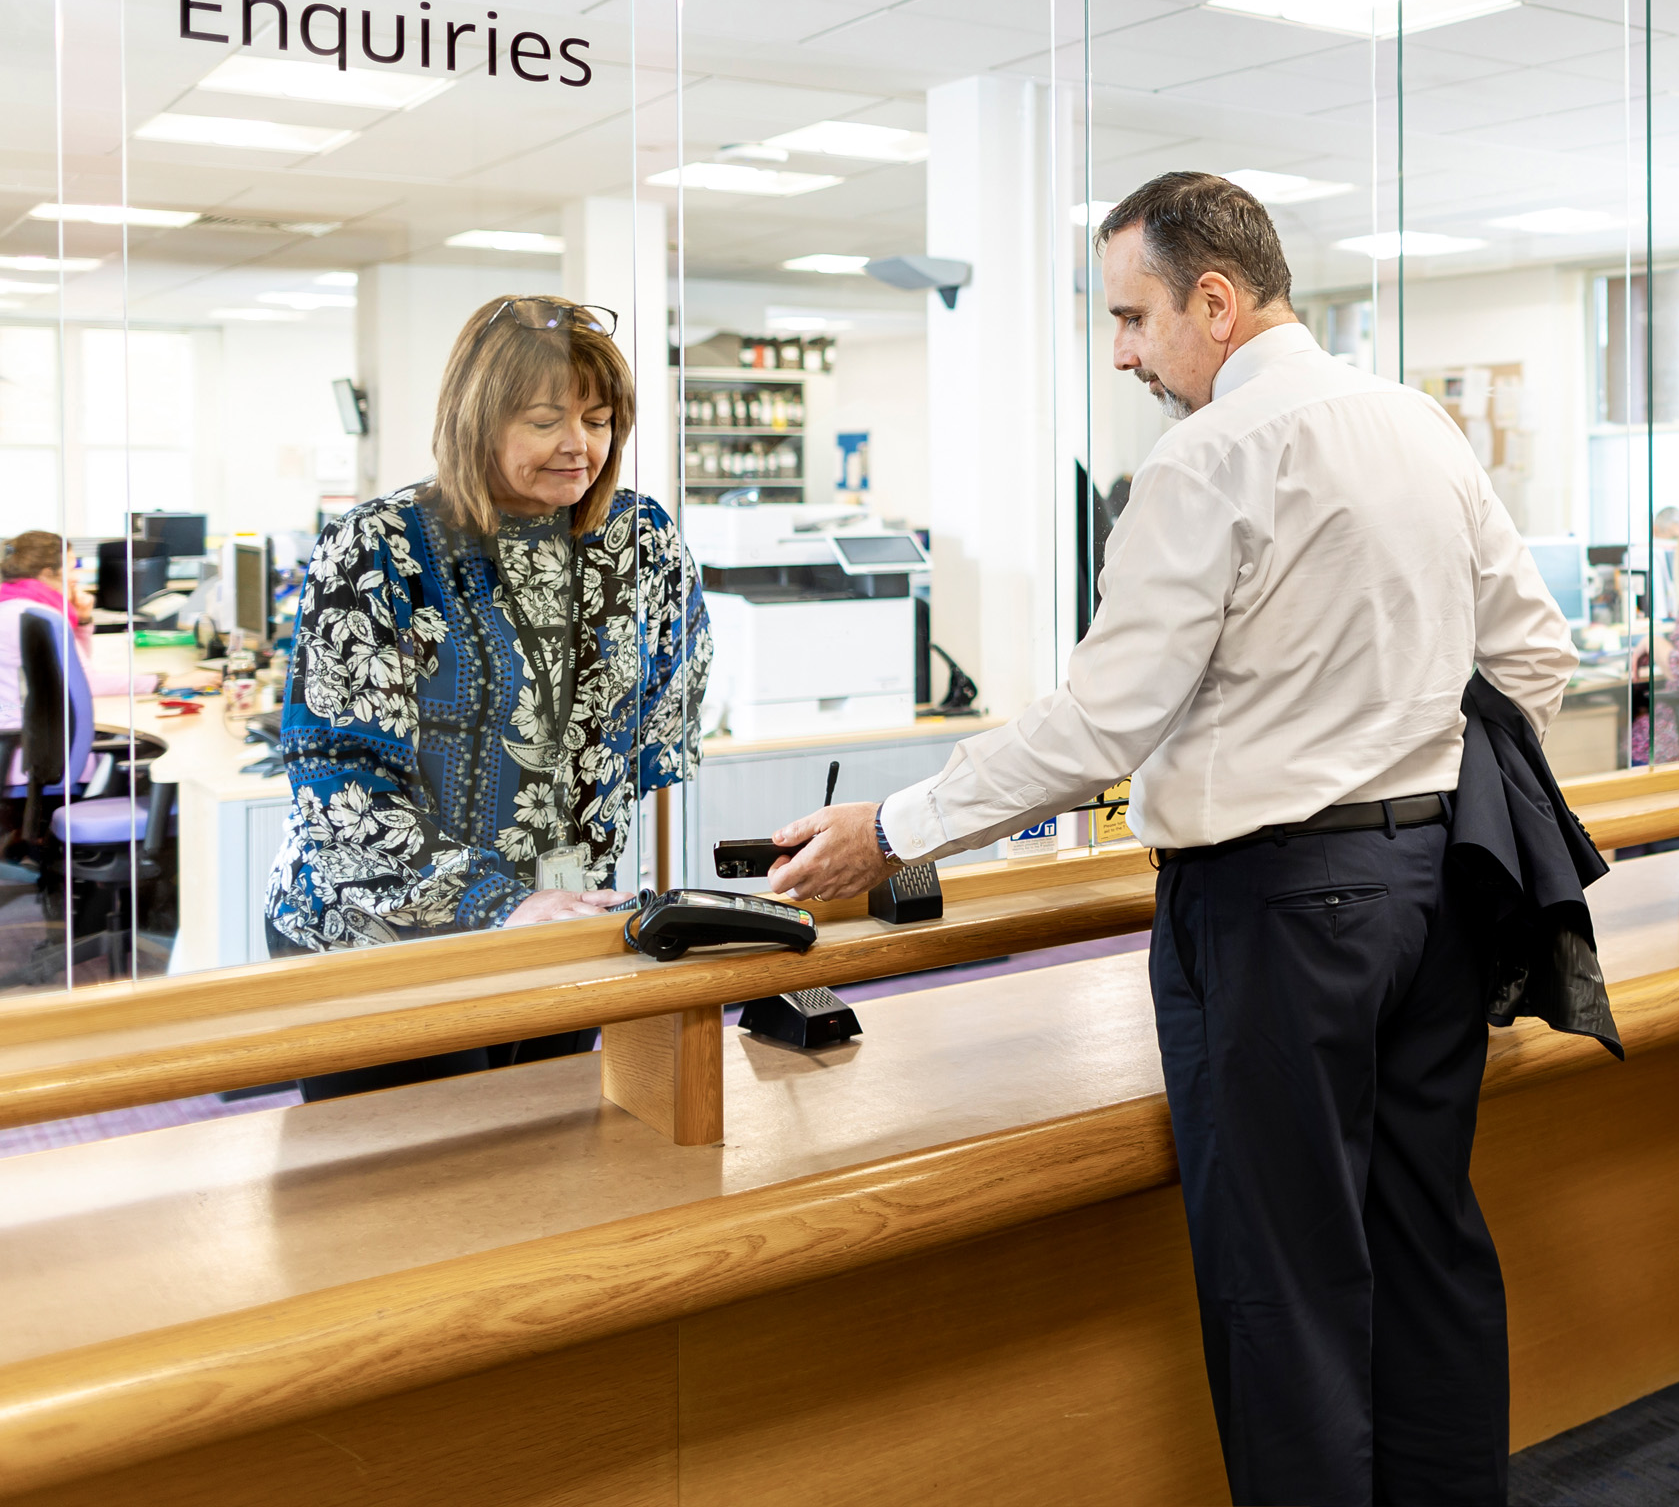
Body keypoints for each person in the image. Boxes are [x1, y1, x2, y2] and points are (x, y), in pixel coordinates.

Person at [768, 171, 1583, 1507]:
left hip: (1278, 914)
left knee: (1289, 1290)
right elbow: (1535, 658)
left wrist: (896, 829)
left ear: (1215, 299)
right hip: (1435, 892)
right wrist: (1406, 752)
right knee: (1428, 1249)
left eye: (1135, 316)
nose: (1126, 353)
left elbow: (1102, 724)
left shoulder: (1209, 459)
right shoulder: (1413, 424)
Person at [265, 295, 710, 1099]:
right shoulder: (381, 544)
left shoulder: (643, 539)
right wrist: (496, 901)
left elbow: (663, 726)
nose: (581, 445)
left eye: (601, 419)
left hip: (563, 925)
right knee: (402, 1197)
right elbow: (339, 781)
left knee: (548, 1172)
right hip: (385, 940)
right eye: (546, 420)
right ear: (478, 421)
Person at [0, 531, 153, 696]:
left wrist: (82, 621)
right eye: (72, 569)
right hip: (17, 720)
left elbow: (76, 669)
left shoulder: (14, 604)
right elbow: (85, 683)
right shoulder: (40, 617)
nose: (76, 578)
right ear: (46, 574)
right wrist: (160, 682)